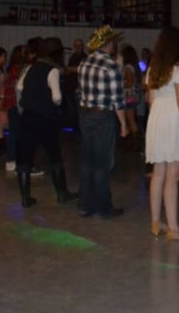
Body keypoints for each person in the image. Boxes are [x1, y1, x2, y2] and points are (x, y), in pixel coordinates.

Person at [144, 26, 179, 241]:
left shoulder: (153, 70)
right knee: (173, 176)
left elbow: (150, 101)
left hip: (156, 119)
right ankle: (173, 229)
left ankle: (155, 222)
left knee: (158, 173)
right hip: (173, 119)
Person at [15, 37, 77, 208]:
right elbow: (56, 97)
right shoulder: (52, 70)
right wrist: (53, 103)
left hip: (28, 116)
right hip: (46, 118)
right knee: (54, 155)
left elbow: (19, 86)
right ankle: (62, 194)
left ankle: (25, 198)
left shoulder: (30, 67)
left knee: (25, 157)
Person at [77, 25, 129, 219]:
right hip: (102, 116)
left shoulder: (84, 62)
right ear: (109, 43)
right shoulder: (110, 65)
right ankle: (103, 207)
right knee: (103, 162)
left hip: (85, 114)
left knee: (87, 161)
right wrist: (123, 124)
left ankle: (85, 205)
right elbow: (118, 99)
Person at [3, 45, 26, 172]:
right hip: (15, 104)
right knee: (15, 133)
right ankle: (11, 160)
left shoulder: (13, 68)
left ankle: (14, 159)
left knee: (16, 132)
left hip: (14, 103)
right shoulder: (16, 69)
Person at [120, 45, 143, 150]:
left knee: (131, 120)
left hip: (128, 96)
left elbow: (129, 82)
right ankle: (133, 141)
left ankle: (136, 143)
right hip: (132, 96)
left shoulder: (128, 67)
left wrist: (119, 84)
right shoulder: (133, 66)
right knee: (131, 120)